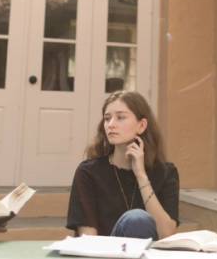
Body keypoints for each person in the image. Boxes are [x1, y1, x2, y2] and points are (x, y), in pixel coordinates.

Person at [66, 91, 179, 240]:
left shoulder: (166, 173)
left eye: (120, 117)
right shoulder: (88, 172)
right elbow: (88, 239)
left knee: (137, 220)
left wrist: (141, 176)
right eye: (107, 119)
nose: (111, 125)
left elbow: (167, 234)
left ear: (141, 125)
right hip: (104, 257)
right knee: (136, 219)